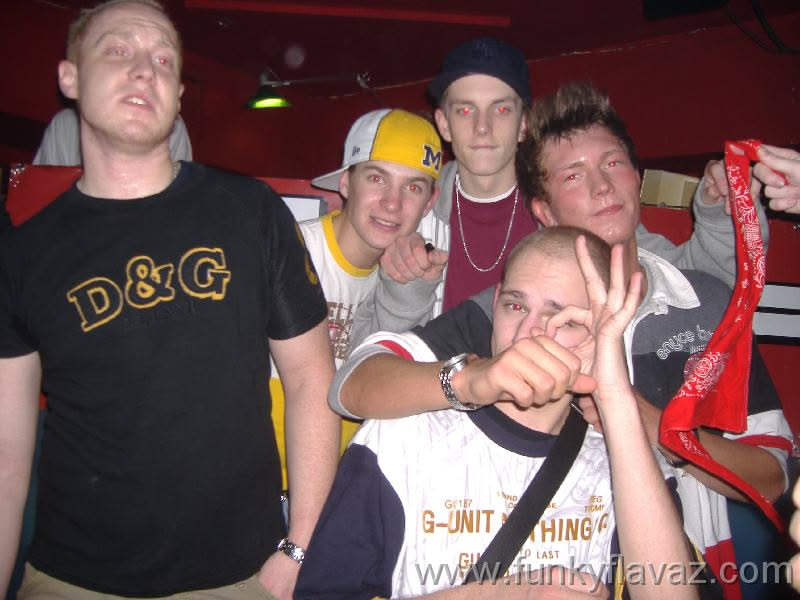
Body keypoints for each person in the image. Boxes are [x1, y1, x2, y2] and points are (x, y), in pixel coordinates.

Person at [330, 82, 792, 597]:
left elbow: (773, 477)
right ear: (545, 211)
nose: (602, 186)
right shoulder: (514, 313)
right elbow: (353, 384)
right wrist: (474, 378)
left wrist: (649, 424)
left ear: (637, 178)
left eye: (613, 164)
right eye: (573, 175)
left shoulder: (704, 302)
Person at [0, 1, 338, 598]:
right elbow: (6, 454)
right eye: (118, 50)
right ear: (70, 77)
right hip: (70, 579)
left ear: (178, 95)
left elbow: (312, 380)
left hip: (240, 578)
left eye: (162, 59)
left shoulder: (250, 212)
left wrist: (299, 549)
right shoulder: (22, 254)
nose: (143, 69)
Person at [296, 227, 698, 599]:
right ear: (495, 303)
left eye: (563, 319)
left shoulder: (625, 465)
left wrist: (615, 396)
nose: (527, 334)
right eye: (516, 306)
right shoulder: (401, 442)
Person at [351, 38, 769, 347]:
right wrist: (404, 289)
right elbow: (363, 359)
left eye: (501, 109)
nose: (482, 127)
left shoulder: (573, 207)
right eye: (465, 110)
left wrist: (719, 215)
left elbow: (705, 286)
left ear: (524, 122)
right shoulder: (410, 212)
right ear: (443, 123)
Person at [270, 108, 443, 479]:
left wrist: (408, 298)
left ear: (429, 202)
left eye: (413, 187)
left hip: (339, 486)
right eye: (377, 178)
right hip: (259, 486)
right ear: (347, 183)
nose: (392, 203)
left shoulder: (412, 280)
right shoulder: (288, 253)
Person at [33, 106, 192, 165]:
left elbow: (179, 202)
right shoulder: (65, 124)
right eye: (117, 52)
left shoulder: (172, 125)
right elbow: (40, 201)